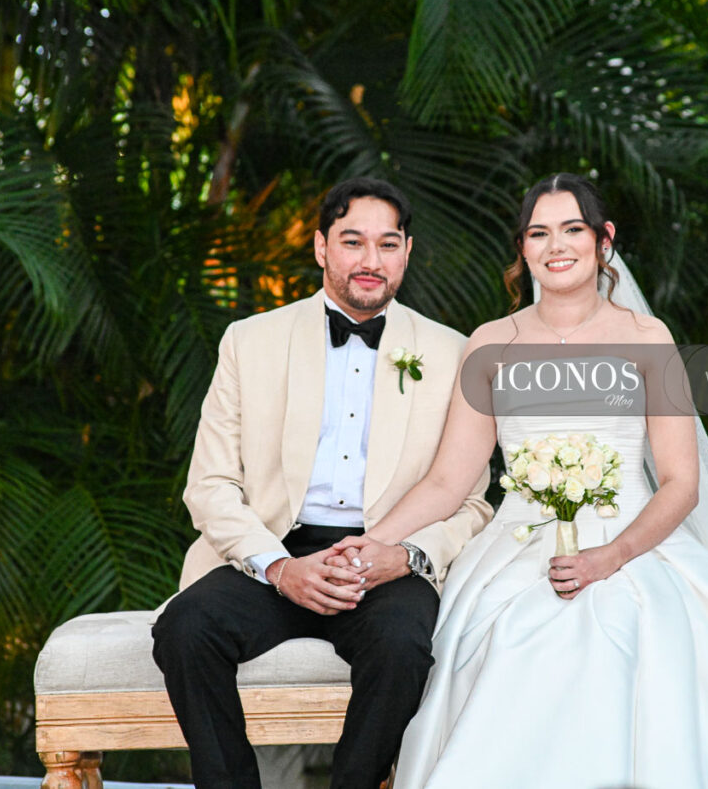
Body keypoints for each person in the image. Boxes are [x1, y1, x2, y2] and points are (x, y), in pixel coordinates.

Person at [333, 173, 708, 788]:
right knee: (507, 636)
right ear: (523, 249)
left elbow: (681, 483)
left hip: (636, 543)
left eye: (573, 229)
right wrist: (367, 542)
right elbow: (449, 480)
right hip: (517, 547)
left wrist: (610, 557)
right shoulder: (491, 344)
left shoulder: (645, 338)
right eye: (539, 232)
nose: (557, 245)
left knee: (632, 635)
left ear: (604, 240)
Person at [151, 176, 493, 789]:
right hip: (272, 553)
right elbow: (209, 485)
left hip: (382, 560)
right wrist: (280, 568)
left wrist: (405, 555)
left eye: (388, 245)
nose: (370, 261)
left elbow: (470, 503)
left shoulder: (453, 353)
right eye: (352, 241)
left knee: (403, 646)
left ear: (408, 253)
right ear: (320, 247)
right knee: (186, 627)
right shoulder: (249, 341)